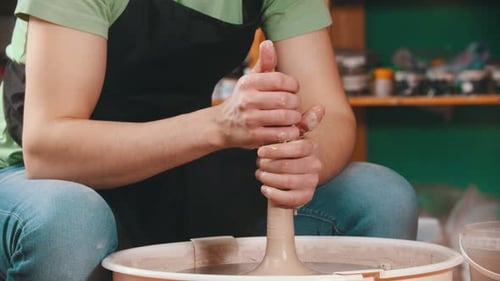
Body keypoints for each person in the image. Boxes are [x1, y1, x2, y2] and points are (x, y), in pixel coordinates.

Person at [0, 0, 419, 280]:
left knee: (379, 196)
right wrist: (219, 126)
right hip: (42, 179)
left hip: (182, 166)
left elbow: (332, 114)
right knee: (70, 222)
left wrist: (305, 161)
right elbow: (47, 149)